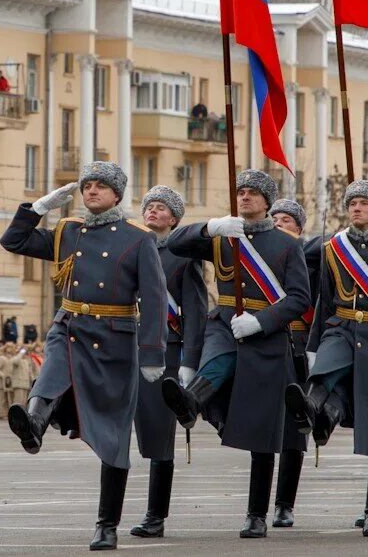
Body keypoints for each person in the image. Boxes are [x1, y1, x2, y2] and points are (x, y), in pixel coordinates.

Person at [0, 162, 167, 550]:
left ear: (117, 195)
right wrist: (37, 208)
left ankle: (106, 524)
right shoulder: (68, 230)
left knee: (113, 436)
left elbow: (155, 298)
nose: (90, 191)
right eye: (87, 185)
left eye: (100, 186)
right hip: (71, 326)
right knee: (50, 377)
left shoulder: (138, 238)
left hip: (116, 339)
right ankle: (33, 426)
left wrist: (152, 353)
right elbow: (15, 242)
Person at [161, 169, 310, 539]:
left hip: (265, 335)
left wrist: (261, 322)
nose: (244, 198)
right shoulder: (224, 236)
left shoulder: (287, 245)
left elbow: (299, 299)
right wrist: (210, 226)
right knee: (217, 364)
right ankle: (190, 403)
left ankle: (257, 514)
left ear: (266, 202)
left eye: (252, 194)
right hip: (224, 322)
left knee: (263, 432)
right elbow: (175, 243)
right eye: (240, 192)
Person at [284, 181, 368, 537]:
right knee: (324, 373)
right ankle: (308, 410)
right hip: (340, 328)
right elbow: (326, 302)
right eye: (353, 203)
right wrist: (314, 346)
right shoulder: (334, 248)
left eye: (364, 203)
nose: (357, 208)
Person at [129, 186, 207, 539]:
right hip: (128, 349)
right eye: (149, 206)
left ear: (174, 219)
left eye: (161, 208)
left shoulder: (183, 256)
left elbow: (195, 310)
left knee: (160, 435)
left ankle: (155, 516)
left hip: (167, 352)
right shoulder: (129, 248)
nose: (153, 212)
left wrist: (191, 361)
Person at [266, 198, 316, 529]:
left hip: (297, 344)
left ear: (298, 229)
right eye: (275, 218)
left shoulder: (309, 256)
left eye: (287, 220)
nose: (280, 223)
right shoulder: (257, 254)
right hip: (264, 342)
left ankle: (284, 504)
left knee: (293, 431)